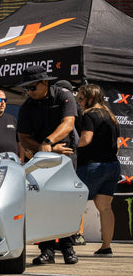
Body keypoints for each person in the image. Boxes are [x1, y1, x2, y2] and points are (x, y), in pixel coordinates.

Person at [16, 65, 79, 265]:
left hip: (65, 156)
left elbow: (68, 124)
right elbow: (23, 137)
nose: (29, 92)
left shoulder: (63, 95)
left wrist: (49, 142)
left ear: (45, 82)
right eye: (26, 89)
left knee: (65, 200)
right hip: (42, 157)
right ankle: (47, 250)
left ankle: (68, 248)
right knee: (43, 201)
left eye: (32, 87)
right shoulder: (27, 106)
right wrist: (44, 148)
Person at [75, 84, 121, 257]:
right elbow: (116, 147)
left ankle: (66, 244)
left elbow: (86, 139)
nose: (79, 102)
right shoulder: (111, 116)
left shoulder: (89, 115)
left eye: (80, 98)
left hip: (91, 166)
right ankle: (106, 247)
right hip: (112, 166)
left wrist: (70, 144)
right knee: (105, 207)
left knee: (74, 203)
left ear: (90, 98)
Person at [55, 79, 86, 245]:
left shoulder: (74, 109)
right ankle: (70, 235)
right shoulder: (55, 108)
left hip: (71, 156)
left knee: (71, 196)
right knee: (69, 196)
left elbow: (78, 135)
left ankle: (74, 234)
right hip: (68, 155)